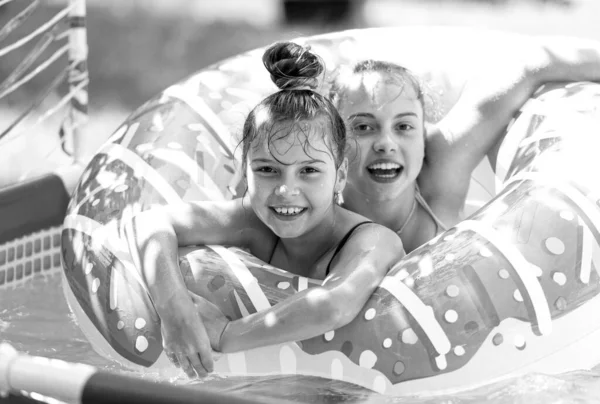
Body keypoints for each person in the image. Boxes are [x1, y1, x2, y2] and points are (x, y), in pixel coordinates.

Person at [129, 42, 404, 379]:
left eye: (309, 171)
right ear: (243, 168)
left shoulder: (373, 241)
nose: (286, 191)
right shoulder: (251, 220)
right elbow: (152, 223)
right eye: (267, 170)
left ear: (340, 175)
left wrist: (228, 335)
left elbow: (334, 304)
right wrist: (175, 309)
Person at [328, 36, 600, 252]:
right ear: (332, 139)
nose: (386, 143)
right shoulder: (315, 202)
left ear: (423, 134)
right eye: (363, 127)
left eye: (404, 127)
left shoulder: (439, 168)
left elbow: (530, 65)